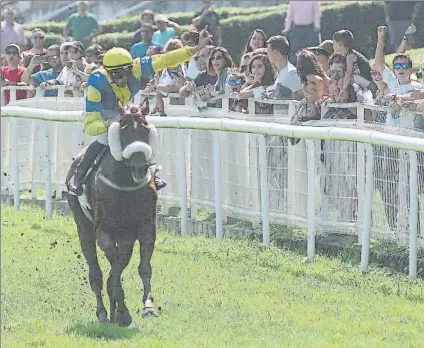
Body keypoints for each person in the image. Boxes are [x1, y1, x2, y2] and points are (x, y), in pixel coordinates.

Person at [68, 27, 212, 196]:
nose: (122, 78)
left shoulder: (138, 67)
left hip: (122, 106)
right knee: (106, 137)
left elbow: (166, 59)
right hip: (101, 112)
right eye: (117, 74)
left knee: (143, 130)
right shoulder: (96, 82)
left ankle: (153, 173)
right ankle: (79, 176)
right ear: (108, 73)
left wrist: (196, 48)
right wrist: (108, 124)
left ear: (131, 67)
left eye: (125, 73)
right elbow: (90, 125)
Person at [283, 1, 321, 65]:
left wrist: (317, 25)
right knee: (294, 50)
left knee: (313, 49)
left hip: (310, 28)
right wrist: (287, 28)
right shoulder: (293, 1)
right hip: (297, 29)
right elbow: (290, 15)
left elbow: (317, 13)